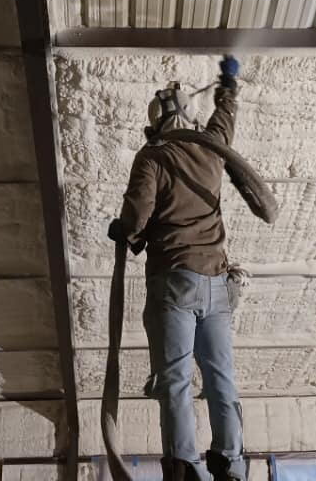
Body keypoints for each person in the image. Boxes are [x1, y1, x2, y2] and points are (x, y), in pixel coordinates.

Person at [108, 56, 245, 481]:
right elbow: (225, 117)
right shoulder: (212, 150)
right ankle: (232, 462)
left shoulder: (151, 158)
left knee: (176, 382)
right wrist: (228, 85)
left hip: (174, 284)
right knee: (221, 378)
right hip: (219, 285)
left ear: (155, 123)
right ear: (188, 113)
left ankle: (187, 467)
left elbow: (136, 217)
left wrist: (124, 233)